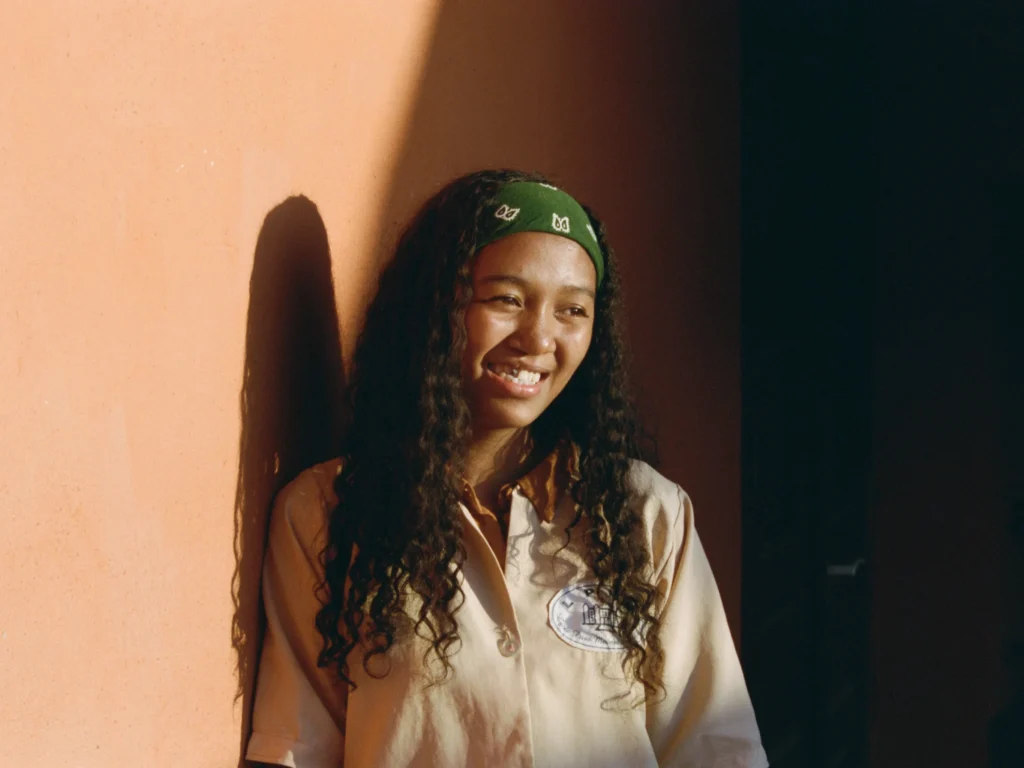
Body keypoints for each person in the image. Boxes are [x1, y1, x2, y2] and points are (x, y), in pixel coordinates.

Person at [245, 169, 768, 768]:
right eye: (507, 299)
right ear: (436, 307)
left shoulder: (644, 512)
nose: (539, 337)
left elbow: (715, 747)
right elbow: (296, 748)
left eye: (573, 310)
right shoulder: (327, 514)